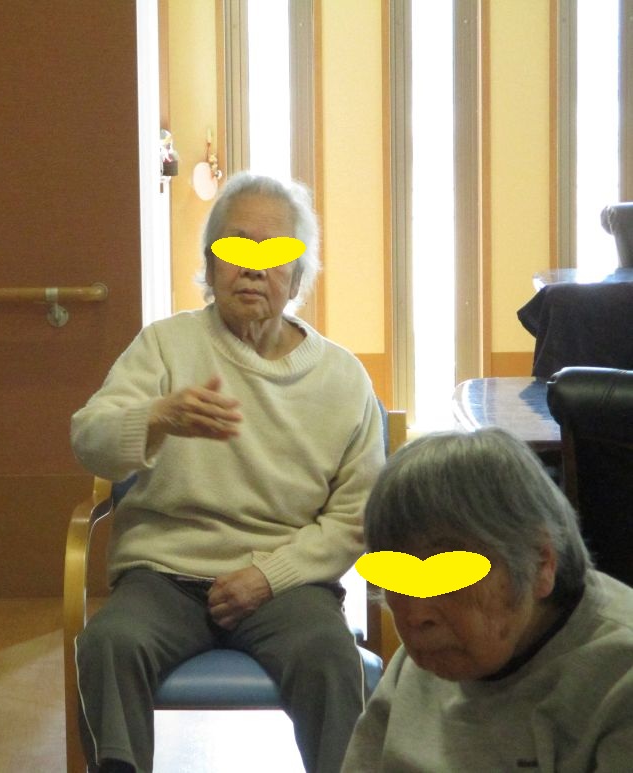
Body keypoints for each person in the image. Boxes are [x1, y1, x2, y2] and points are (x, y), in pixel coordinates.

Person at [70, 172, 385, 773]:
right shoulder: (165, 345)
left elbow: (358, 514)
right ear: (211, 264)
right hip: (163, 577)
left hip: (287, 582)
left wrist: (269, 576)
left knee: (330, 657)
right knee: (109, 645)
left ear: (297, 275)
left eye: (274, 253)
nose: (253, 269)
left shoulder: (342, 378)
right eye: (236, 248)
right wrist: (156, 417)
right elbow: (89, 440)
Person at [341, 427, 633, 772]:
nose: (416, 614)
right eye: (399, 575)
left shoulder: (619, 678)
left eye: (449, 573)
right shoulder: (430, 655)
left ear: (541, 563)